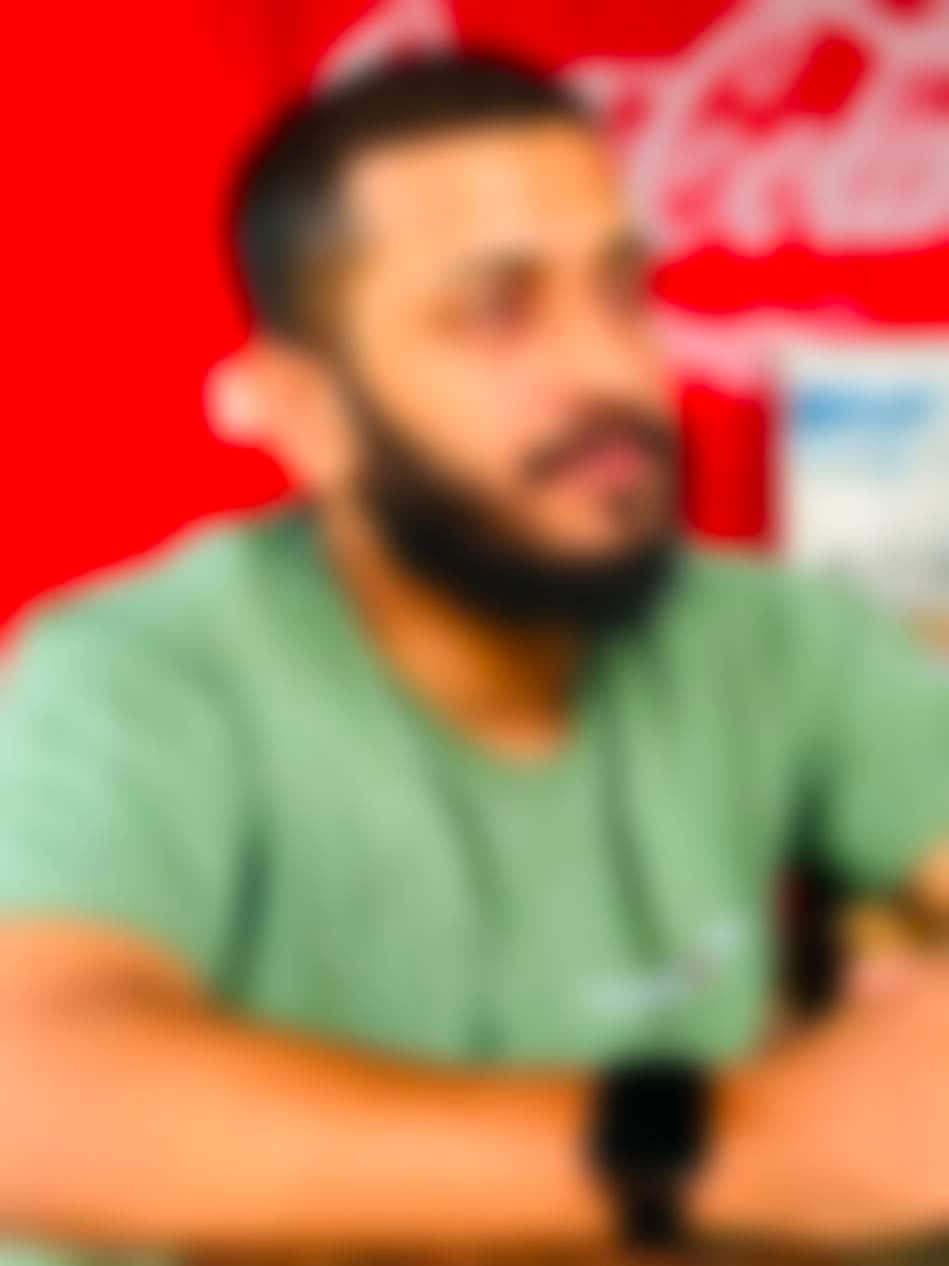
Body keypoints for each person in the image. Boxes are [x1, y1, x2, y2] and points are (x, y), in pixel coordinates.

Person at [1, 51, 949, 1266]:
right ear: (306, 414)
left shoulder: (779, 641)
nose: (610, 371)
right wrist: (735, 1148)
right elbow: (34, 1097)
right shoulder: (133, 674)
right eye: (496, 312)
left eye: (620, 293)